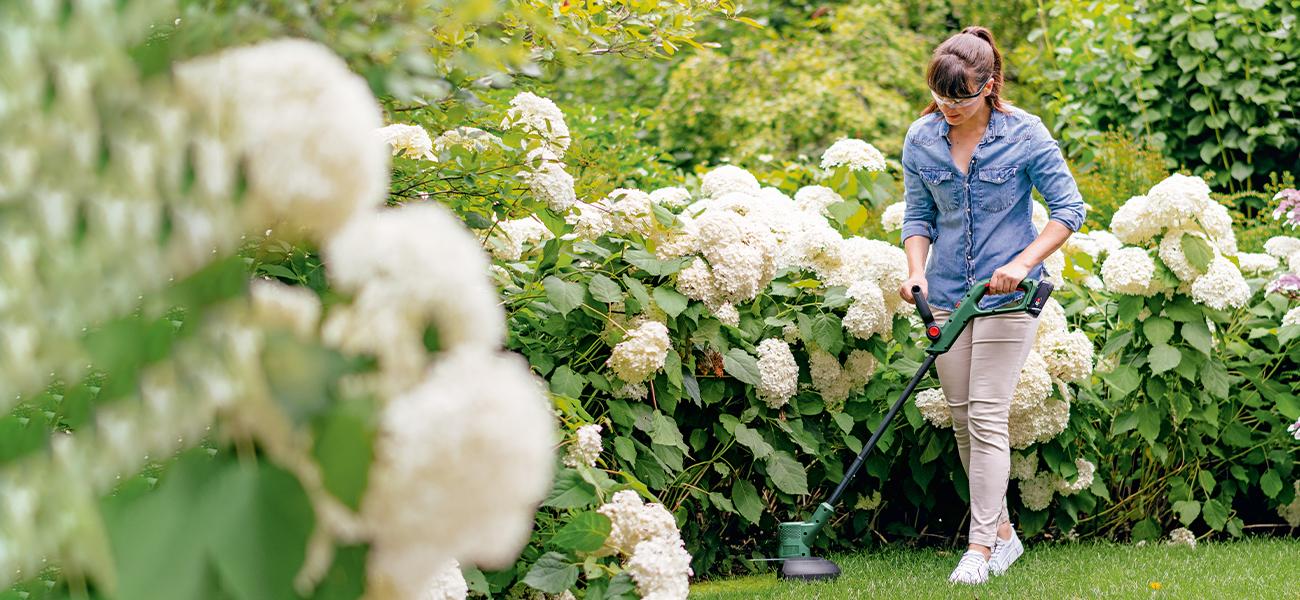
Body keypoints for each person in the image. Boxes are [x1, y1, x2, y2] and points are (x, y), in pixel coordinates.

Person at [897, 26, 1085, 585]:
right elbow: (918, 216)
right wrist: (914, 271)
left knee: (985, 413)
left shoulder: (1024, 134)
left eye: (962, 98)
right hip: (950, 294)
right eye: (941, 97)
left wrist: (1023, 263)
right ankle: (1005, 534)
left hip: (1011, 294)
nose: (949, 109)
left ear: (990, 85)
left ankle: (979, 547)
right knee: (961, 420)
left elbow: (1068, 209)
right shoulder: (921, 138)